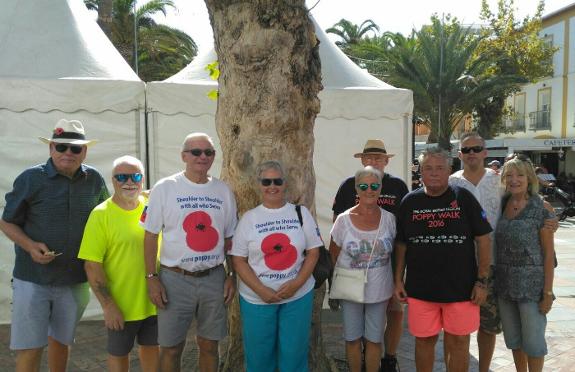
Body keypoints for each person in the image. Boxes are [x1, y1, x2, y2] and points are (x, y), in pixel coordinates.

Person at [0, 119, 109, 372]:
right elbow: (7, 223)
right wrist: (29, 246)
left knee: (62, 341)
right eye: (61, 147)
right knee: (30, 347)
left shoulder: (94, 179)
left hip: (75, 279)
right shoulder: (30, 178)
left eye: (75, 148)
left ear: (85, 151)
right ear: (50, 148)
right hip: (33, 278)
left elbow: (107, 216)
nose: (68, 153)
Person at [142, 132, 237, 372]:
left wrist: (231, 275)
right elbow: (150, 235)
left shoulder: (223, 191)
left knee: (209, 345)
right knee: (171, 348)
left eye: (209, 152)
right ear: (184, 156)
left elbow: (229, 238)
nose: (202, 157)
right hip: (174, 279)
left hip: (213, 278)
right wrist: (152, 278)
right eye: (196, 152)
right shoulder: (165, 188)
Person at [394, 147, 492, 372]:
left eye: (440, 168)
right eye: (428, 168)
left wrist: (482, 281)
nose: (434, 173)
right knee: (424, 341)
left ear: (450, 170)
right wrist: (398, 280)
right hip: (420, 289)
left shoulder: (463, 198)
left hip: (462, 289)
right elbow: (401, 244)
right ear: (420, 172)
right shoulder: (410, 202)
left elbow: (484, 239)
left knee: (459, 342)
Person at [230, 160, 322, 372]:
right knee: (259, 357)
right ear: (259, 184)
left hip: (297, 296)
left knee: (294, 355)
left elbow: (314, 252)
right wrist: (261, 290)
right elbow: (238, 260)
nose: (272, 186)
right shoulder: (249, 219)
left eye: (277, 181)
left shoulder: (300, 214)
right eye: (266, 181)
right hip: (257, 299)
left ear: (284, 183)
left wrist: (296, 284)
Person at [332, 139, 408, 372]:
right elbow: (334, 248)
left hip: (386, 268)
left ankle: (389, 359)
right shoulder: (346, 188)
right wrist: (338, 280)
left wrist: (398, 277)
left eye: (379, 158)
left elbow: (402, 235)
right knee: (353, 336)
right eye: (369, 157)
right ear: (362, 160)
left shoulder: (398, 187)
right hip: (352, 278)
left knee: (391, 318)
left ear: (386, 161)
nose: (369, 190)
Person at [78, 156, 158, 372]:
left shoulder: (152, 205)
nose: (129, 182)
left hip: (154, 299)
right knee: (119, 354)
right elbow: (92, 266)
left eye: (135, 176)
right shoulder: (101, 215)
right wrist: (108, 306)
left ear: (143, 180)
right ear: (112, 180)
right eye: (121, 177)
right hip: (121, 304)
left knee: (152, 349)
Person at [495, 155, 555, 372]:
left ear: (529, 178)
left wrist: (547, 292)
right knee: (514, 340)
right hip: (505, 285)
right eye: (509, 175)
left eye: (520, 174)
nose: (514, 179)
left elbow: (549, 254)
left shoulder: (542, 207)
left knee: (534, 344)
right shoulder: (502, 204)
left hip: (532, 288)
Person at [449, 132, 503, 372]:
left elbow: (525, 197)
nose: (471, 153)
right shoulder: (451, 182)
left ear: (485, 152)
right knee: (455, 328)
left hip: (491, 263)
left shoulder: (500, 181)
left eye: (476, 148)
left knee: (488, 325)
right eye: (466, 150)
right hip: (460, 264)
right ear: (459, 154)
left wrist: (546, 210)